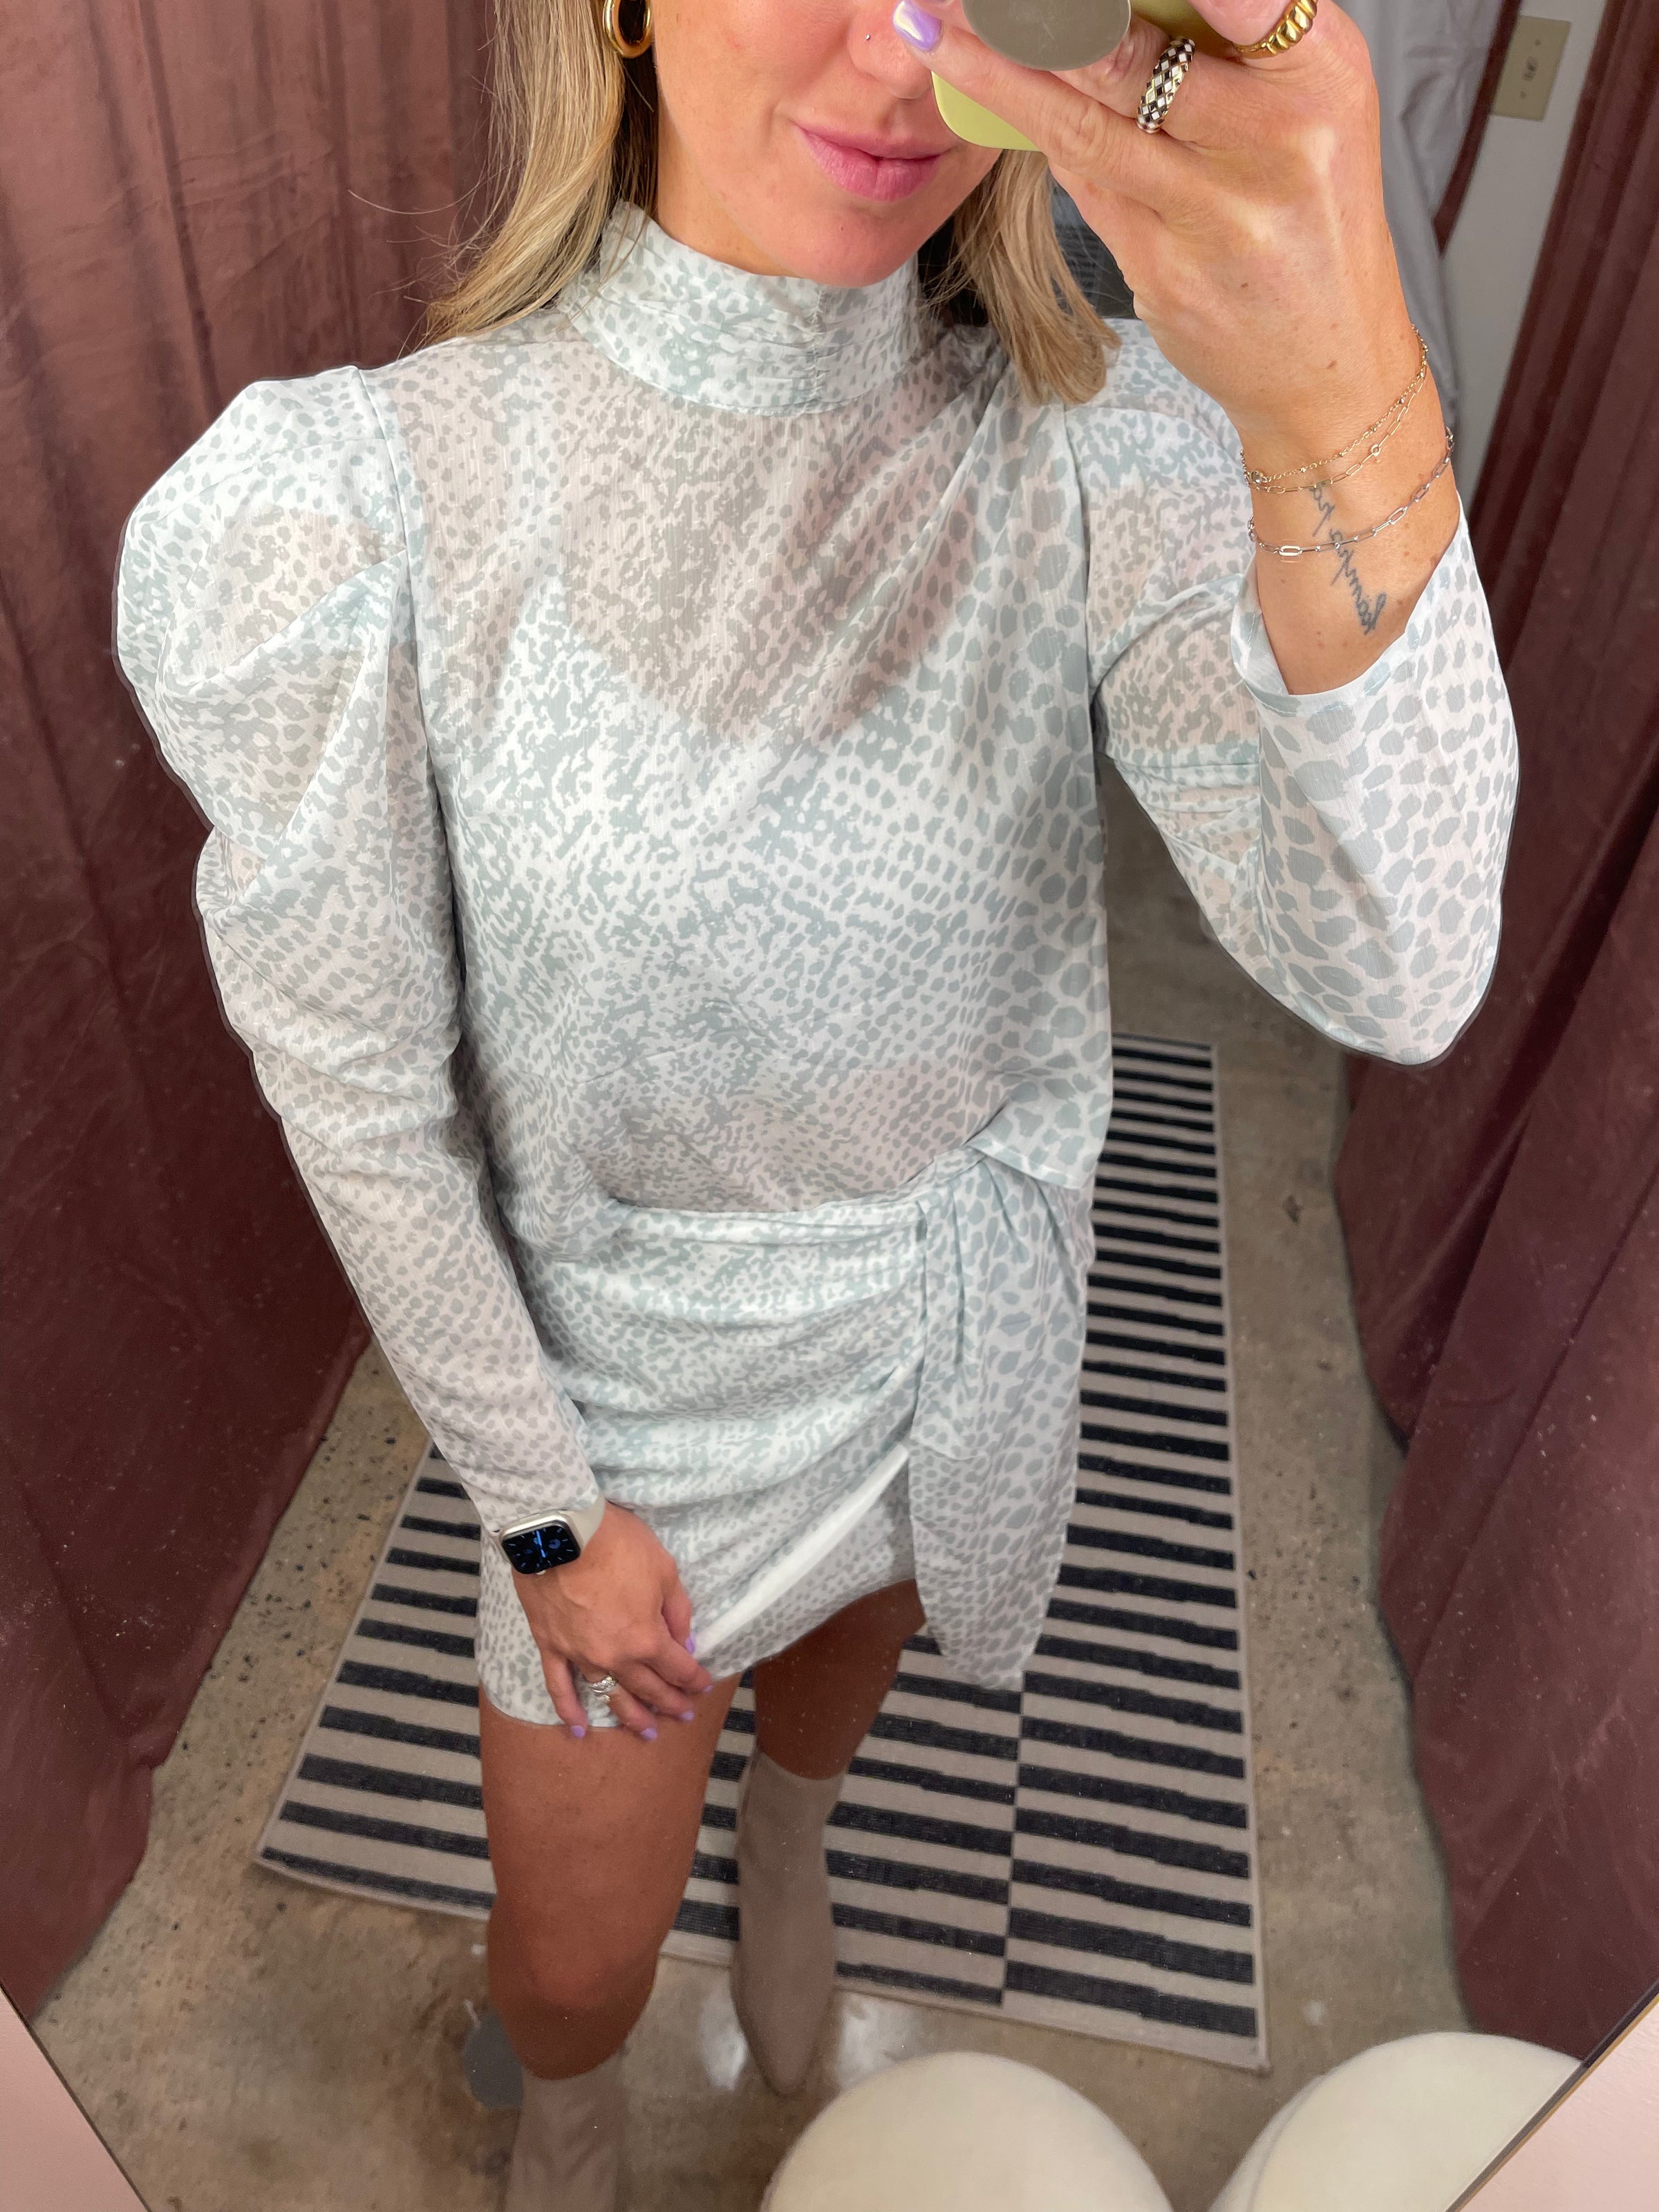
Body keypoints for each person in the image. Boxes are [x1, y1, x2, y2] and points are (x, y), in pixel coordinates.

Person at [114, 1, 1517, 2204]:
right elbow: (364, 1101)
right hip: (632, 1409)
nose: (900, 52)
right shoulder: (376, 498)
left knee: (847, 1678)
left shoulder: (1097, 441)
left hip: (960, 1322)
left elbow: (1403, 967)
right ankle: (574, 2115)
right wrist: (545, 1519)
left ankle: (793, 1835)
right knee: (571, 1967)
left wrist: (1345, 391)